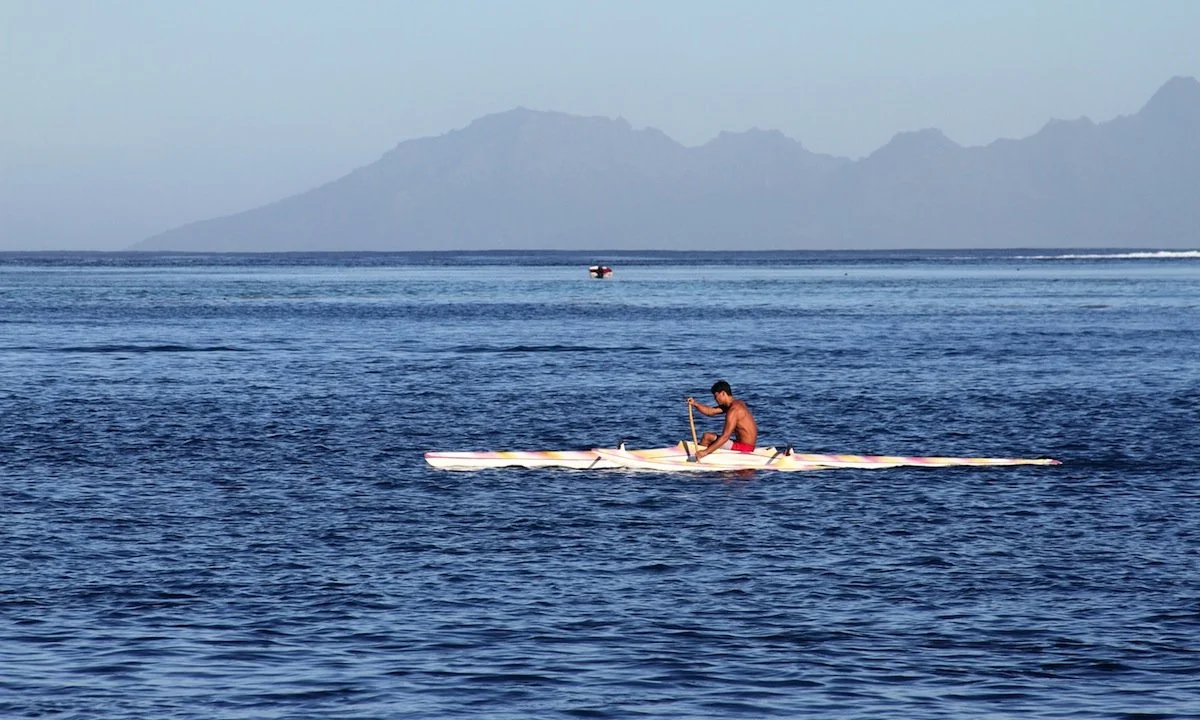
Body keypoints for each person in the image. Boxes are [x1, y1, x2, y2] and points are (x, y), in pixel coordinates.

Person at [687, 380, 758, 459]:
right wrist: (695, 404)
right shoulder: (736, 404)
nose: (715, 399)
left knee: (707, 437)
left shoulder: (734, 410)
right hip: (744, 445)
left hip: (745, 448)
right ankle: (703, 454)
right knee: (708, 437)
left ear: (723, 393)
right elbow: (710, 411)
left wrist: (705, 452)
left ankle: (699, 457)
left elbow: (725, 436)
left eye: (716, 396)